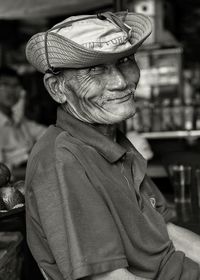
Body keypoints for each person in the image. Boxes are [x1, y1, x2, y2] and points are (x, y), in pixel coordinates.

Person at [25, 11, 200, 280]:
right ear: (57, 88)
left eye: (125, 61)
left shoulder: (113, 142)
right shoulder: (63, 160)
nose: (120, 82)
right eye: (95, 70)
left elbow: (167, 233)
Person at [0, 67, 46, 170]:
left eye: (16, 85)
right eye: (5, 84)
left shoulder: (19, 120)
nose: (11, 90)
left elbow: (46, 133)